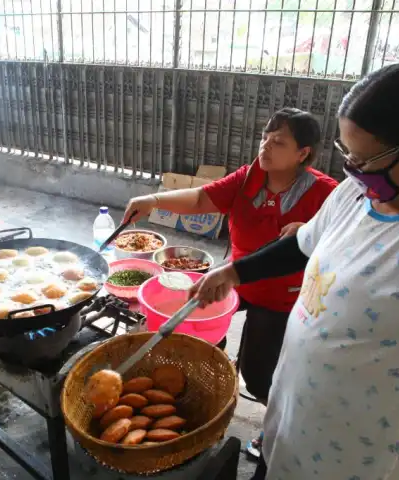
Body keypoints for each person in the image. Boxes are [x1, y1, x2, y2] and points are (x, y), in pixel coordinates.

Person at [189, 64, 399, 479]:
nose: (352, 169)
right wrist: (234, 272)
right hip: (296, 407)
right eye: (348, 153)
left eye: (364, 159)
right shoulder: (356, 191)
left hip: (360, 444)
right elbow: (303, 243)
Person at [123, 108, 338, 457]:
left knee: (259, 373)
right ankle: (198, 398)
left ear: (303, 154)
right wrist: (154, 200)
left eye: (278, 142)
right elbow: (201, 198)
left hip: (281, 294)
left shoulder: (327, 194)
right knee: (191, 322)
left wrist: (313, 234)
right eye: (264, 138)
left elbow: (349, 240)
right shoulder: (249, 176)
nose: (265, 147)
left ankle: (278, 431)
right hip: (235, 274)